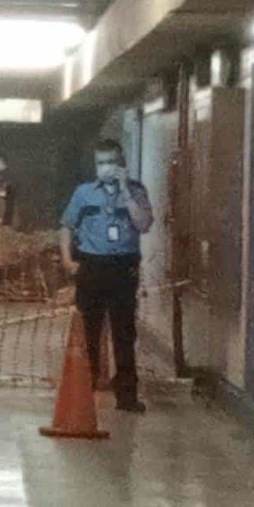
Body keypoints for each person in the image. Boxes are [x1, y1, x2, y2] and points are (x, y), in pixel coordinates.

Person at [59, 139, 154, 412]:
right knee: (88, 330)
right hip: (92, 267)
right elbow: (66, 225)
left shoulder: (136, 191)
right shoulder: (84, 193)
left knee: (124, 333)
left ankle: (126, 396)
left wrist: (125, 190)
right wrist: (68, 259)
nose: (105, 168)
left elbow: (143, 224)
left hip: (123, 268)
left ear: (121, 162)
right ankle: (83, 389)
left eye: (110, 162)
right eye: (100, 163)